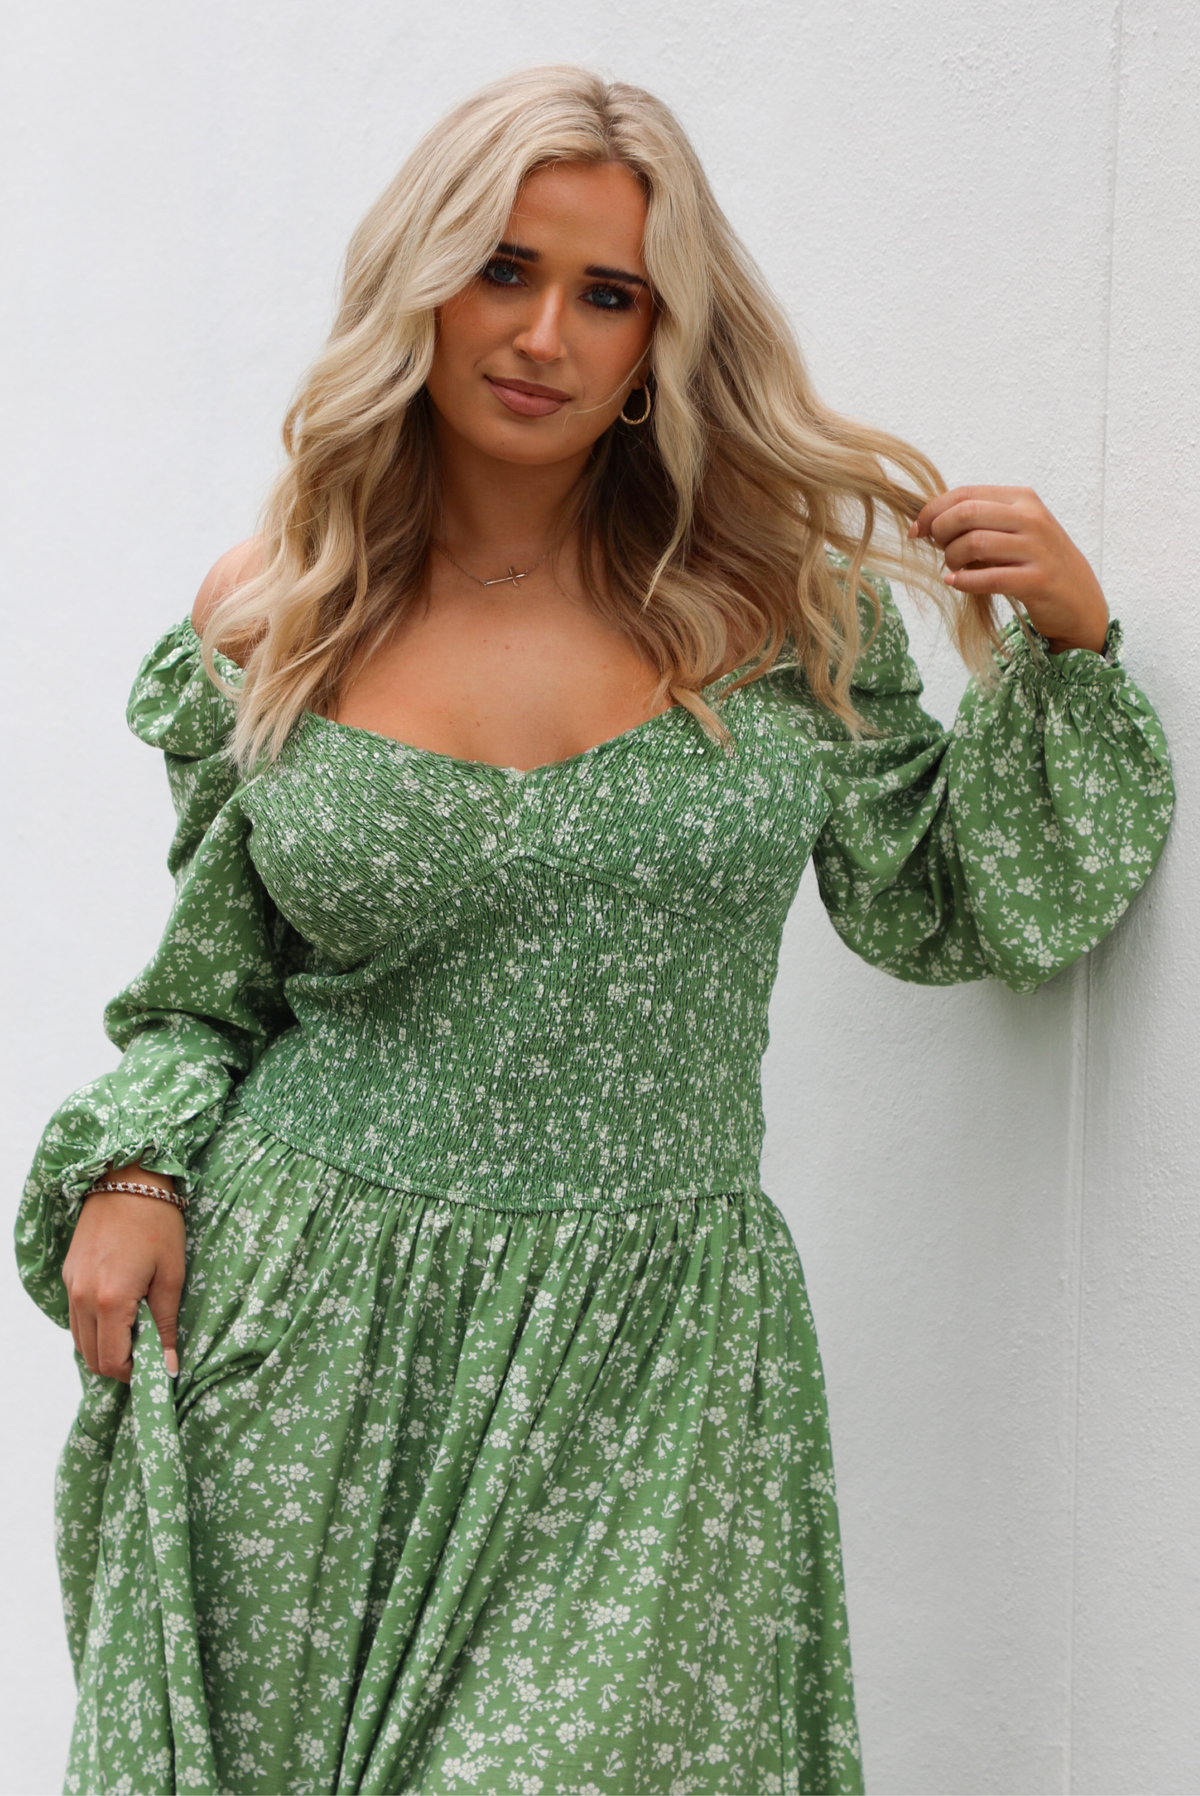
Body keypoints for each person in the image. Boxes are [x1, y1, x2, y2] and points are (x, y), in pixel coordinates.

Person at [16, 64, 1172, 1796]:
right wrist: (131, 1174)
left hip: (655, 1361)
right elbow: (209, 991)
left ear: (659, 340)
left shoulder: (780, 613)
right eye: (503, 268)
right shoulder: (279, 610)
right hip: (303, 1346)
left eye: (606, 292)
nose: (544, 330)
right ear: (422, 282)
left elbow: (947, 900)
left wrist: (1070, 653)